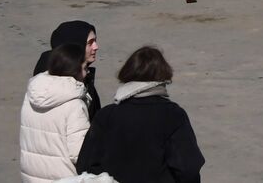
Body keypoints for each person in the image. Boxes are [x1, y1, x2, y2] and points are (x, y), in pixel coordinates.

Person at [75, 46, 205, 183]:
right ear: (163, 77)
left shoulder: (106, 115)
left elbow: (85, 165)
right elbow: (188, 168)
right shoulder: (173, 115)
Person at [20, 42, 91, 183]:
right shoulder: (74, 104)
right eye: (84, 68)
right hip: (64, 178)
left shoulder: (31, 95)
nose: (87, 72)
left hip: (31, 175)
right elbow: (79, 153)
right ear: (74, 70)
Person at [32, 21, 101, 119]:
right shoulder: (56, 89)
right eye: (90, 43)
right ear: (75, 46)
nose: (96, 47)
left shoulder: (82, 76)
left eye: (95, 41)